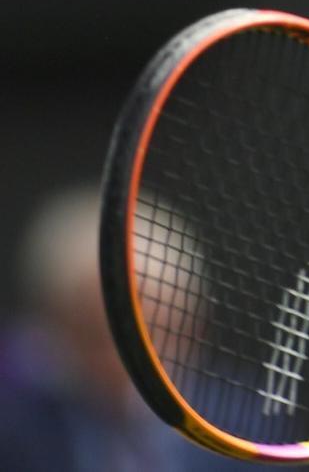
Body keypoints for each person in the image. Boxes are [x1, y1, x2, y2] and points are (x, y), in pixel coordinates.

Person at [0, 187, 235, 472]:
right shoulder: (14, 424)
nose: (125, 366)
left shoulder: (248, 428)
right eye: (97, 338)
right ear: (53, 328)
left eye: (157, 335)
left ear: (196, 329)